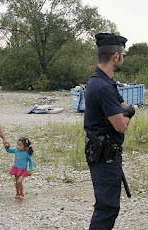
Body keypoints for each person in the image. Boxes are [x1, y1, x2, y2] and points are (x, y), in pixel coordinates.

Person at [84, 33, 134, 230]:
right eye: (123, 55)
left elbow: (120, 106)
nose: (123, 58)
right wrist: (131, 112)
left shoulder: (103, 81)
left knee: (108, 207)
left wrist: (125, 110)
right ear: (116, 56)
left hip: (105, 153)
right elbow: (121, 124)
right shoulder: (102, 86)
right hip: (104, 156)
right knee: (107, 208)